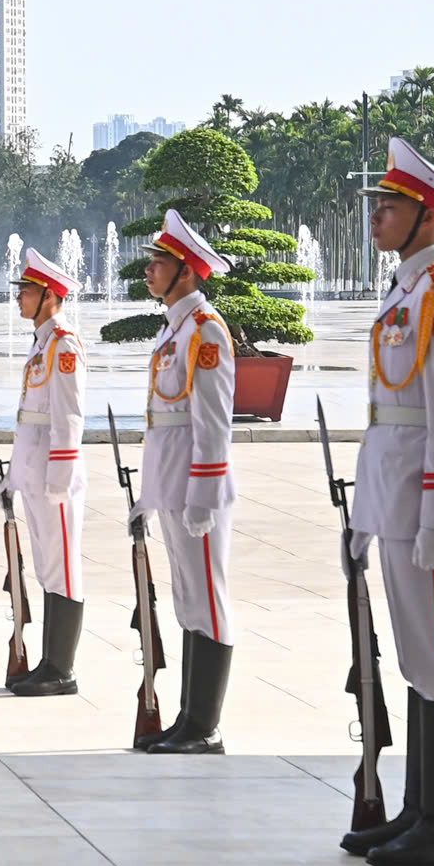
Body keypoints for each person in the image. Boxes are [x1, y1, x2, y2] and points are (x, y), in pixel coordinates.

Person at [345, 138, 434, 866]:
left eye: (390, 205)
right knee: (415, 660)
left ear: (428, 216)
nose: (377, 214)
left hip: (427, 510)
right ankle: (418, 809)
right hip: (394, 501)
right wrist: (367, 513)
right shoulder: (405, 293)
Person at [138, 210, 237, 752]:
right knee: (186, 600)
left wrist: (204, 493)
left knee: (207, 599)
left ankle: (206, 726)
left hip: (198, 490)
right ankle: (187, 719)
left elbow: (212, 422)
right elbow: (163, 422)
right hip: (172, 482)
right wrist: (150, 493)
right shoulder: (172, 330)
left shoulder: (206, 331)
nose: (149, 270)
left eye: (159, 263)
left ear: (187, 272)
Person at [7, 247, 88, 696]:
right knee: (46, 566)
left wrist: (60, 475)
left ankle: (62, 668)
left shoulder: (63, 344)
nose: (19, 298)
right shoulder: (42, 345)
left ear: (48, 296)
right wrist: (16, 474)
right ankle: (48, 661)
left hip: (55, 475)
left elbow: (69, 415)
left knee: (63, 567)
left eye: (26, 291)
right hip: (35, 471)